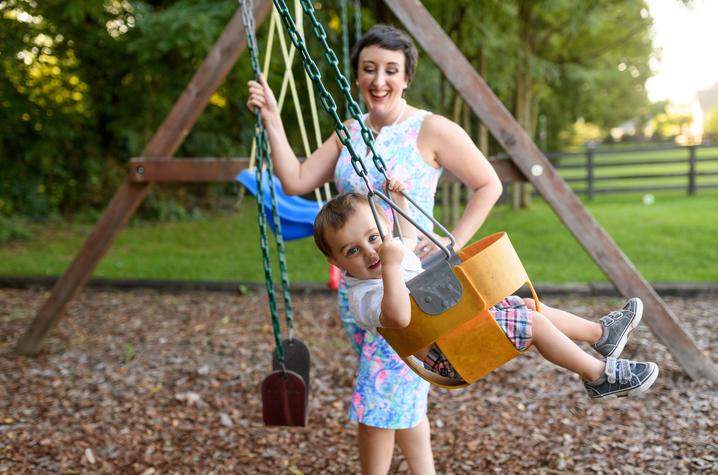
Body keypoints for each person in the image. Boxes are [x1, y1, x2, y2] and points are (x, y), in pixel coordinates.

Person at [247, 24, 502, 474]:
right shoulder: (351, 131)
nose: (378, 80)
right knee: (400, 402)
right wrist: (271, 118)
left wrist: (451, 240)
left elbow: (488, 184)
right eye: (369, 69)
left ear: (406, 78)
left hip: (410, 290)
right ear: (358, 76)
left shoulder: (432, 129)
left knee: (377, 404)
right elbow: (298, 180)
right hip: (359, 293)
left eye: (390, 70)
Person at [313, 189, 660, 399]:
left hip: (456, 328)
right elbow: (399, 316)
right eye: (352, 251)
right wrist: (389, 266)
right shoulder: (365, 295)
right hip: (447, 353)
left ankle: (601, 334)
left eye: (373, 238)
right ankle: (599, 376)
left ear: (383, 229)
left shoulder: (391, 250)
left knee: (523, 304)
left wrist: (398, 198)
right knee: (532, 322)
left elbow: (403, 239)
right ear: (335, 262)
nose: (371, 253)